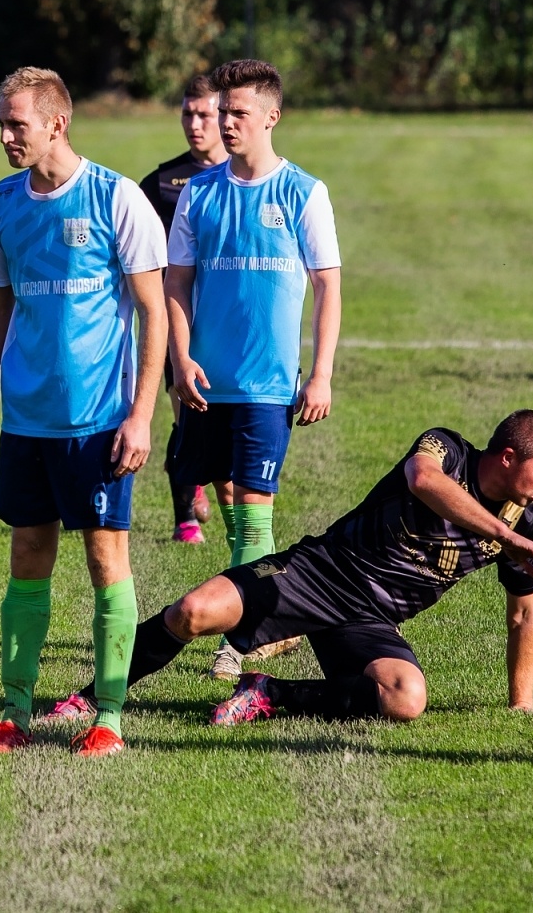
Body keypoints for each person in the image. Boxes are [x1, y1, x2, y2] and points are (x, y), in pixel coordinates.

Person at [43, 411, 533, 728]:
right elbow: (421, 479)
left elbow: (525, 613)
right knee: (192, 612)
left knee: (406, 698)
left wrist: (521, 705)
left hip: (370, 621)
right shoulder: (446, 449)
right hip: (319, 574)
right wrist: (502, 535)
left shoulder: (523, 520)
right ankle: (92, 700)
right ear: (507, 457)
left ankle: (268, 693)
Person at [0, 67, 168, 758]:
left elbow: (153, 313)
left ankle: (108, 714)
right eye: (0, 122)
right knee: (27, 557)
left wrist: (140, 416)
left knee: (107, 561)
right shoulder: (1, 203)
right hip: (27, 419)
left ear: (57, 123)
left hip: (100, 420)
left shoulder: (118, 199)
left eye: (15, 123)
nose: (4, 135)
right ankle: (15, 709)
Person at [165, 59, 343, 681]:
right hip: (206, 384)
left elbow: (327, 287)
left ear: (271, 117)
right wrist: (180, 356)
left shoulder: (303, 193)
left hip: (269, 385)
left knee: (252, 509)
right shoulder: (199, 192)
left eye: (238, 112)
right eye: (222, 111)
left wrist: (319, 375)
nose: (225, 122)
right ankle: (271, 619)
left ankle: (244, 640)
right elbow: (177, 283)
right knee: (218, 504)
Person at [137, 74, 228, 545]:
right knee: (186, 418)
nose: (195, 124)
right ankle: (185, 519)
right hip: (180, 321)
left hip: (230, 322)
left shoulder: (246, 175)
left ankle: (218, 484)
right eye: (187, 114)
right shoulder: (161, 182)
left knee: (228, 418)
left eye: (204, 114)